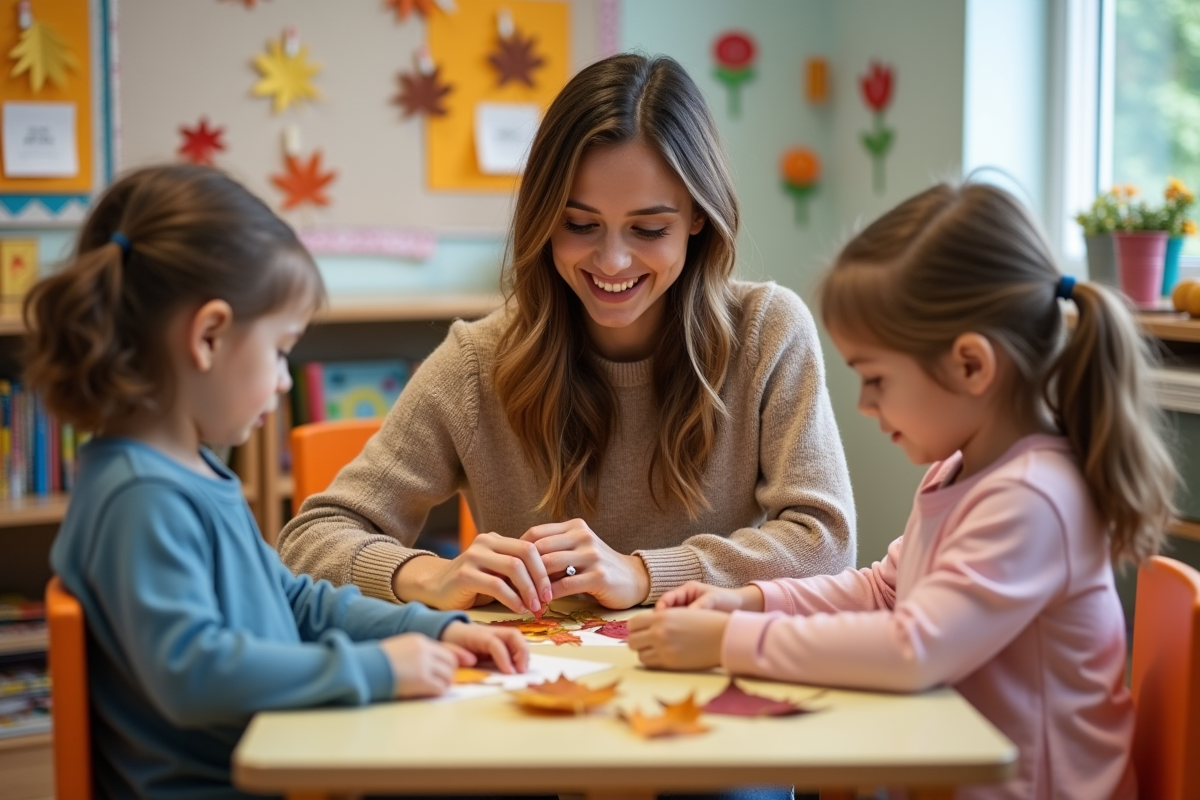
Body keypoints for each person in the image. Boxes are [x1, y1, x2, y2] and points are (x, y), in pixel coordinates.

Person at [627, 182, 1178, 800]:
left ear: (971, 365)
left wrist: (729, 643)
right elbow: (886, 591)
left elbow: (915, 646)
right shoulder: (961, 471)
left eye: (876, 378)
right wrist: (750, 602)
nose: (864, 404)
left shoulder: (1034, 499)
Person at [278, 53, 856, 616]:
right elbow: (311, 539)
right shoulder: (479, 362)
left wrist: (642, 573)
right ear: (544, 217)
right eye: (579, 224)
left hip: (705, 677)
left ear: (699, 217)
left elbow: (827, 543)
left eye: (649, 228)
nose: (611, 260)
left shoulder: (767, 332)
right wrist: (429, 573)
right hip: (535, 687)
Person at [27, 164, 528, 800]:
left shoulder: (190, 470)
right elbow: (194, 672)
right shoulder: (141, 498)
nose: (286, 380)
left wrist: (430, 629)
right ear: (208, 337)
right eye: (280, 349)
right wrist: (375, 670)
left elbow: (293, 601)